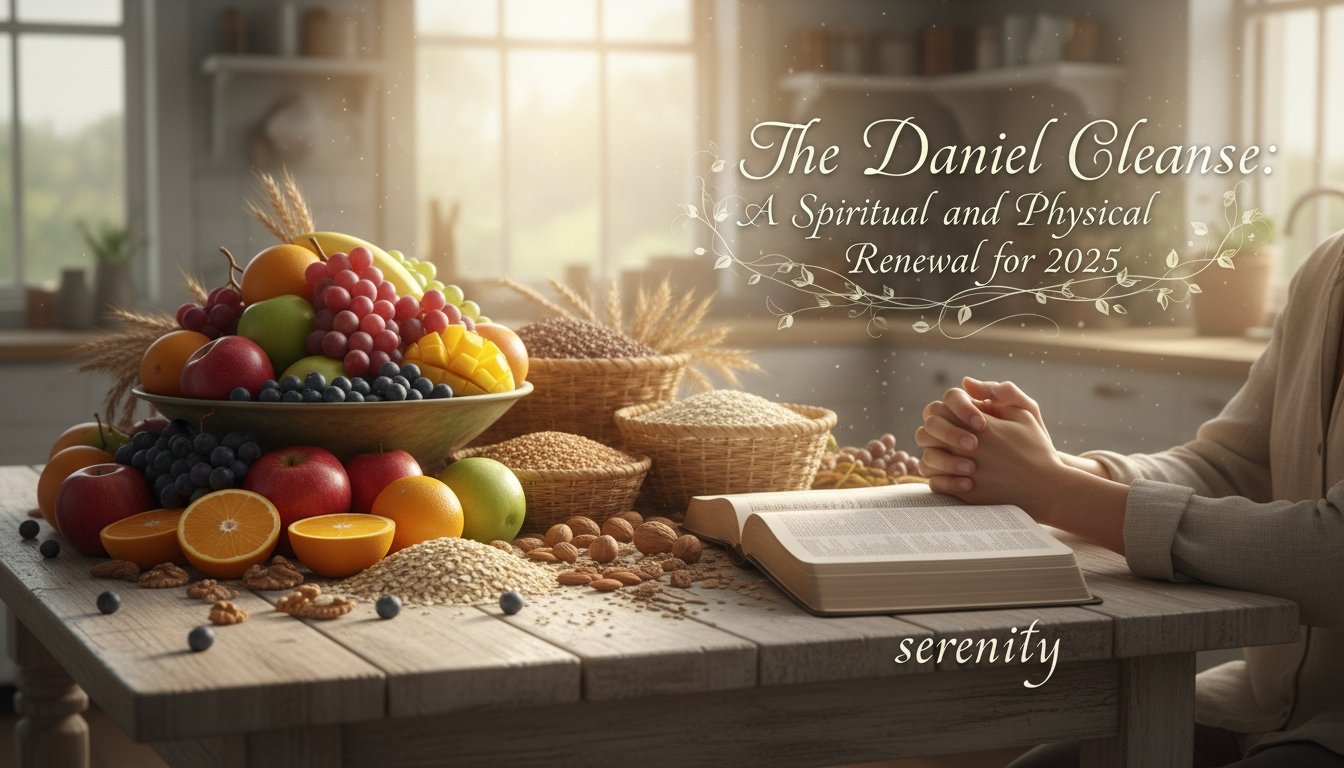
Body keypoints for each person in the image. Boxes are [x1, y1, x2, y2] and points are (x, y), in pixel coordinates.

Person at [914, 231, 1344, 767]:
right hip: (1260, 708)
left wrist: (1056, 491)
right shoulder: (1327, 264)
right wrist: (1057, 466)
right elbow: (1227, 466)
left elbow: (1333, 555)